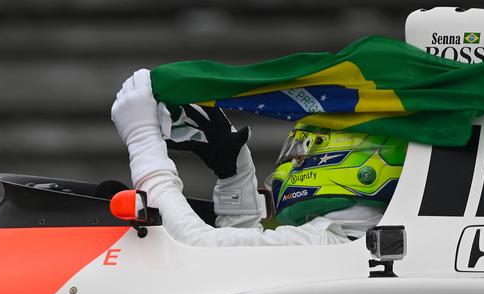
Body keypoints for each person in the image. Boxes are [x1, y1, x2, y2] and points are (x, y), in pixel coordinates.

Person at [111, 69, 406, 246]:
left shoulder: (337, 243)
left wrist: (143, 144)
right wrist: (233, 175)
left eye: (307, 149)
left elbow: (197, 246)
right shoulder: (357, 240)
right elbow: (242, 264)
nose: (292, 163)